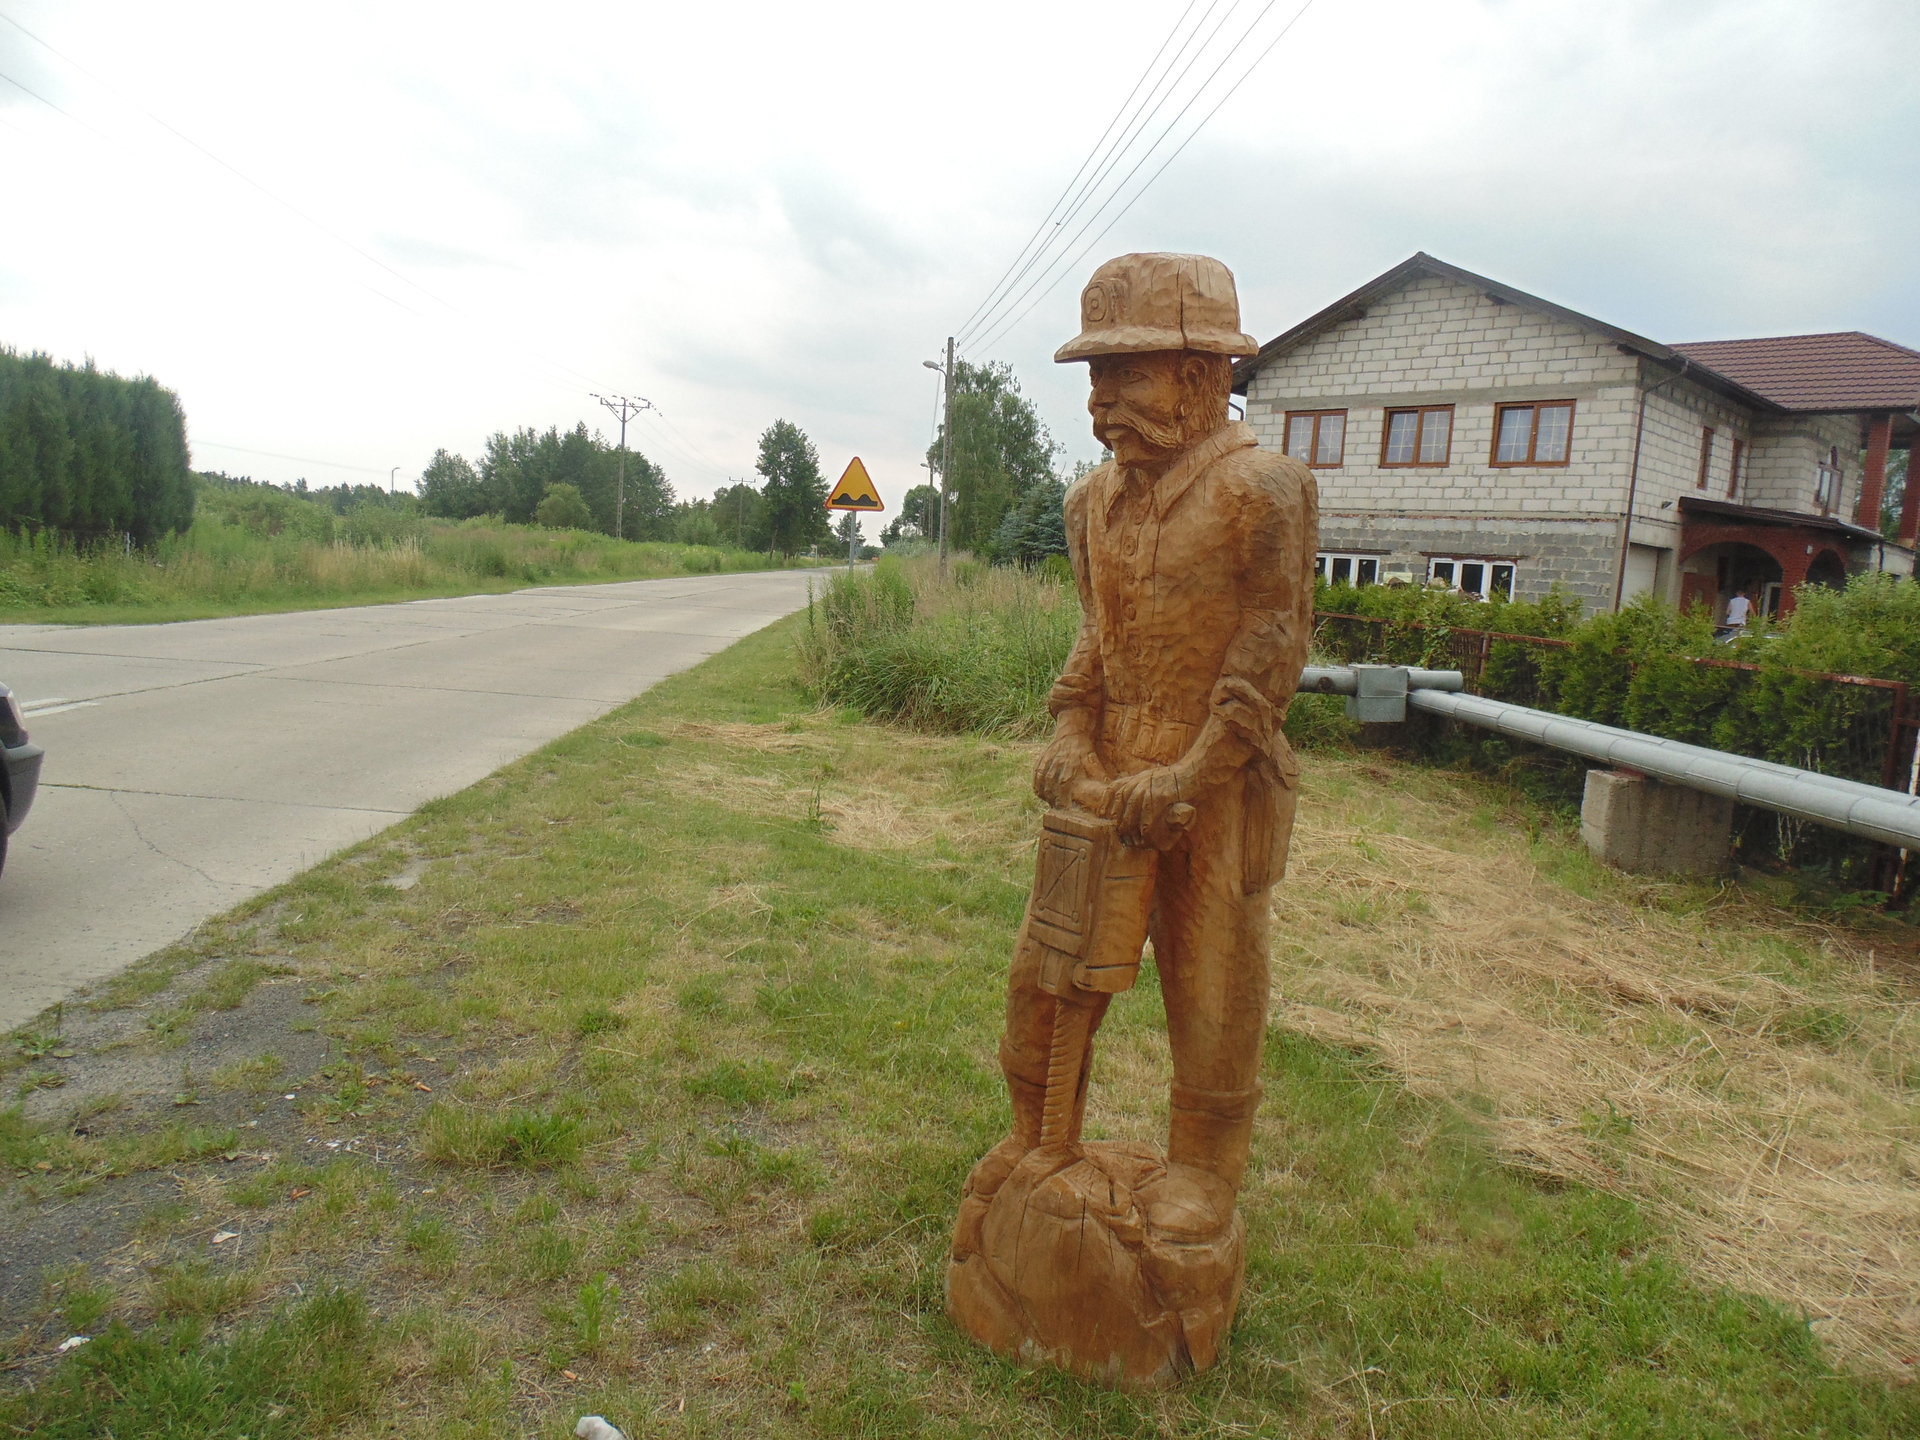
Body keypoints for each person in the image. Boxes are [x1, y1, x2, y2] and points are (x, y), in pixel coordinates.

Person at [961, 252, 1317, 1250]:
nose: (1102, 401)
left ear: (1203, 374)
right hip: (1109, 773)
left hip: (1220, 782)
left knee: (1210, 978)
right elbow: (1097, 633)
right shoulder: (1090, 505)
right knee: (1049, 967)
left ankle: (1204, 1170)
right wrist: (1071, 728)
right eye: (1093, 377)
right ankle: (1038, 1133)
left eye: (1128, 373)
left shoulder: (1265, 493)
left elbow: (1270, 648)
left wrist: (1194, 773)